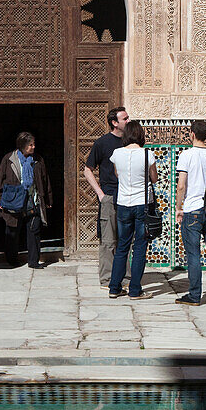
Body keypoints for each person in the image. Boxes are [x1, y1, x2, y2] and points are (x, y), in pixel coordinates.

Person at [175, 119, 206, 305]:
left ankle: (195, 295)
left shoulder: (186, 155)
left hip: (192, 210)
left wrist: (179, 207)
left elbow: (181, 186)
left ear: (192, 134)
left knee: (193, 254)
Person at [107, 119, 156, 299]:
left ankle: (114, 287)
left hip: (123, 204)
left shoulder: (116, 153)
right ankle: (135, 290)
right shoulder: (147, 154)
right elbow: (154, 178)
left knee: (122, 247)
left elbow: (117, 174)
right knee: (140, 247)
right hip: (141, 205)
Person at [84, 106, 130, 288]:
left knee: (125, 239)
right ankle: (107, 279)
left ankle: (125, 278)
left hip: (127, 197)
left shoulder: (130, 143)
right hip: (110, 196)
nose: (128, 121)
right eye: (124, 118)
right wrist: (101, 195)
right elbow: (88, 170)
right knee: (108, 240)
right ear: (114, 123)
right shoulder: (102, 143)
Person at [0, 131, 53, 268]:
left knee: (34, 231)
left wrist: (48, 199)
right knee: (12, 231)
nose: (33, 147)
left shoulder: (38, 160)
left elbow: (45, 180)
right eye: (30, 145)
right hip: (14, 200)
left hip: (33, 200)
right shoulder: (9, 159)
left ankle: (33, 261)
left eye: (33, 144)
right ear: (22, 146)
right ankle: (12, 260)